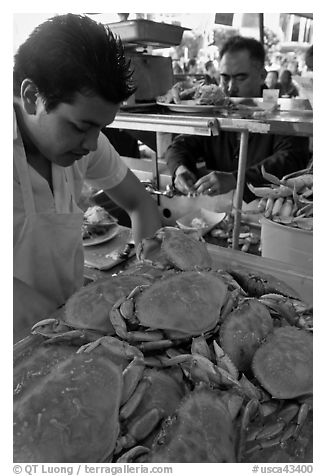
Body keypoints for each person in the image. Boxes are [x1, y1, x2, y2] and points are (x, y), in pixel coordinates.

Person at [13, 14, 162, 342]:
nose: (92, 144)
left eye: (101, 128)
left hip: (73, 326)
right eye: (80, 127)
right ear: (30, 97)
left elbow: (140, 203)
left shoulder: (87, 142)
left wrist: (145, 281)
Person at [165, 35, 309, 200]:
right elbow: (180, 145)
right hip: (219, 210)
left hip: (269, 211)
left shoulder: (281, 114)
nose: (231, 87)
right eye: (225, 78)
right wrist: (180, 169)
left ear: (262, 75)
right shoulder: (215, 110)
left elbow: (291, 159)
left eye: (241, 78)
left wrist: (236, 179)